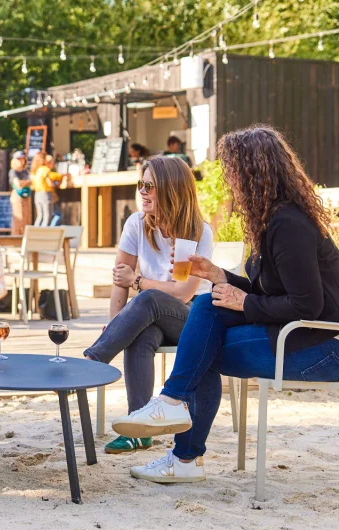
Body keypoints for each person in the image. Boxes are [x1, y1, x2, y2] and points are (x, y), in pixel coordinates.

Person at [115, 125, 339, 485]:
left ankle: (181, 443)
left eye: (232, 170)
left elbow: (307, 304)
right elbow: (266, 289)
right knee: (205, 309)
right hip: (293, 335)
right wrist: (218, 274)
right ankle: (175, 420)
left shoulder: (288, 224)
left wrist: (246, 302)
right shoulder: (272, 220)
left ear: (254, 170)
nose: (229, 180)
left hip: (320, 346)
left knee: (202, 348)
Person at [84, 155, 213, 454]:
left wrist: (138, 281)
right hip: (149, 316)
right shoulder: (136, 224)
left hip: (195, 319)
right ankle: (139, 430)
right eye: (140, 184)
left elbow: (183, 293)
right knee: (140, 332)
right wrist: (117, 325)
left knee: (149, 298)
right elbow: (120, 278)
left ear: (171, 189)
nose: (142, 191)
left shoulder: (198, 231)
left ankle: (92, 363)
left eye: (150, 186)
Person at [8, 150, 31, 236]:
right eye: (18, 159)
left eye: (22, 159)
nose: (20, 161)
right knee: (18, 218)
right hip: (17, 196)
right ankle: (16, 240)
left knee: (27, 218)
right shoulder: (13, 171)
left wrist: (24, 183)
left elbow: (32, 182)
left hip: (27, 196)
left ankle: (25, 239)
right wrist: (27, 182)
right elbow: (17, 184)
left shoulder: (25, 171)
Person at [31, 151, 54, 226]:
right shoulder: (44, 169)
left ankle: (34, 233)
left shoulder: (34, 170)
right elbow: (50, 183)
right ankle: (44, 235)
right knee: (47, 216)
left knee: (40, 216)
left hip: (37, 194)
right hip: (45, 194)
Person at [45, 155, 64, 226]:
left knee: (45, 216)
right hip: (47, 196)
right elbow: (54, 178)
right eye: (52, 162)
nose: (53, 164)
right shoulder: (46, 171)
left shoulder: (44, 171)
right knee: (56, 215)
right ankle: (51, 230)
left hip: (46, 196)